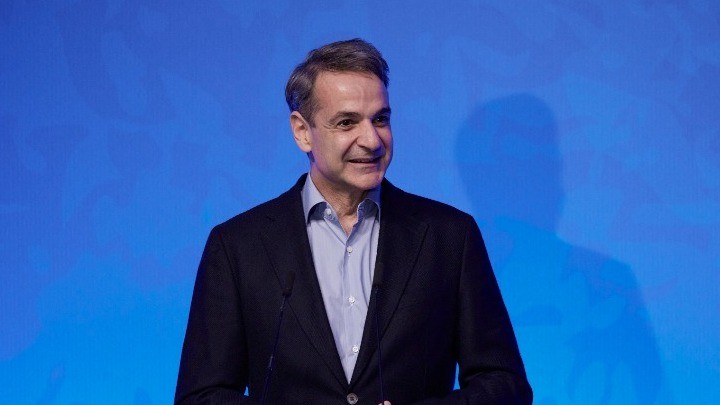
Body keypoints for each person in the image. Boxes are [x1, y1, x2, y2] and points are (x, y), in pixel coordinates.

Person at [175, 38, 532, 405]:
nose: (372, 140)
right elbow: (201, 397)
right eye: (347, 122)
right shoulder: (238, 246)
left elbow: (505, 385)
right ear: (302, 132)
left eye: (380, 119)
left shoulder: (449, 236)